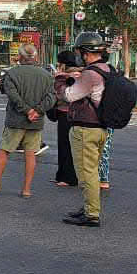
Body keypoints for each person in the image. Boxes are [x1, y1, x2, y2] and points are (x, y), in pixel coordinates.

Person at [0, 43, 55, 198]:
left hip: (15, 120)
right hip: (35, 122)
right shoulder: (46, 75)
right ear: (35, 56)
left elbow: (12, 95)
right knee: (30, 154)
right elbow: (51, 97)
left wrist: (27, 110)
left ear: (20, 57)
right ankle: (26, 189)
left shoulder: (12, 74)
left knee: (5, 151)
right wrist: (36, 111)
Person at [62, 32, 113, 227]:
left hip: (86, 129)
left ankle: (91, 214)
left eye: (79, 51)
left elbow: (69, 96)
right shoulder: (107, 70)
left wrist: (61, 79)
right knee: (92, 170)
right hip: (101, 128)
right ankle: (88, 207)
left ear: (85, 52)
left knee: (87, 173)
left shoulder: (90, 74)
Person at [52, 49, 80, 187]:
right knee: (76, 146)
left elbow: (60, 95)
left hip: (65, 113)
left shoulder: (62, 77)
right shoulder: (82, 73)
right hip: (80, 115)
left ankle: (66, 177)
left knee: (64, 145)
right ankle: (72, 175)